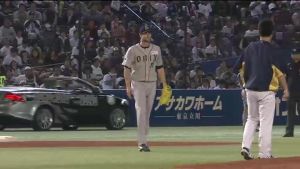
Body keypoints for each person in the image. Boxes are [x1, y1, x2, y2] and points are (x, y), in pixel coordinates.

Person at [240, 19, 289, 160]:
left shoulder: (250, 48)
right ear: (272, 33)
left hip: (250, 89)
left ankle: (245, 147)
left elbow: (240, 68)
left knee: (251, 119)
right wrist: (286, 89)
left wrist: (244, 84)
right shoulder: (274, 50)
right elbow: (280, 73)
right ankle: (265, 153)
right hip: (266, 91)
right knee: (265, 122)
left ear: (258, 32)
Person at [122, 24, 167, 152]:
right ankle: (142, 143)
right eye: (144, 33)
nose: (146, 35)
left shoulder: (156, 49)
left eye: (148, 33)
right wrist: (127, 86)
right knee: (141, 110)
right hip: (137, 83)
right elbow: (126, 69)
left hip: (152, 83)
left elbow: (160, 68)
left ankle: (144, 136)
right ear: (140, 35)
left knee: (147, 113)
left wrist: (164, 85)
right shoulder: (132, 50)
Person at [283, 48, 300, 137]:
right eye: (293, 54)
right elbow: (285, 78)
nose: (294, 56)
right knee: (290, 112)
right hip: (291, 92)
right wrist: (285, 90)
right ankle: (289, 132)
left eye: (296, 54)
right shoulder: (289, 64)